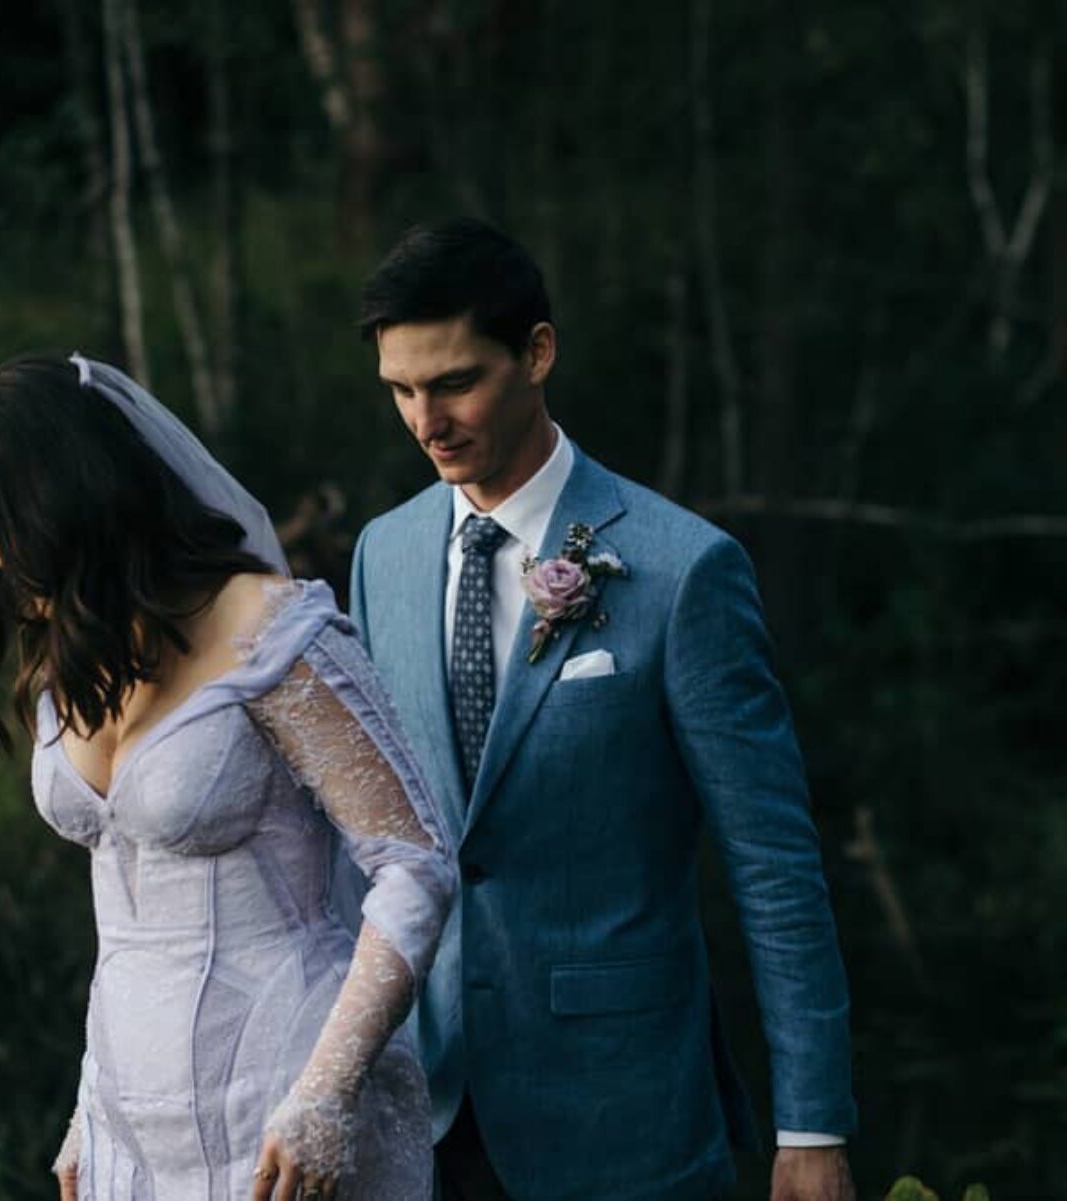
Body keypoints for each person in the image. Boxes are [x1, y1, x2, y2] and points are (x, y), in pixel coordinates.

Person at [347, 219, 858, 1200]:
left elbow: (773, 860)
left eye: (454, 382)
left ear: (537, 351)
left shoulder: (682, 570)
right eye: (401, 391)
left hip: (621, 1120)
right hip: (422, 1112)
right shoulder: (383, 554)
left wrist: (813, 1124)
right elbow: (374, 845)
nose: (426, 420)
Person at [0, 354, 456, 1201]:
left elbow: (415, 864)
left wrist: (325, 1094)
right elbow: (125, 922)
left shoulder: (269, 629)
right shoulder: (73, 663)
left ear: (62, 497)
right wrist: (89, 1102)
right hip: (132, 1130)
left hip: (284, 1112)